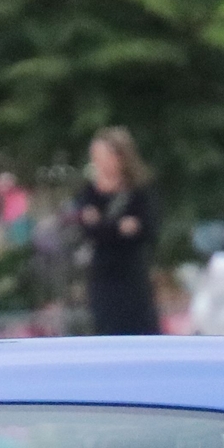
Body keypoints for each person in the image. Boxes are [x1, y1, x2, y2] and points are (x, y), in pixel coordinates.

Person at [75, 127, 161, 335]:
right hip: (102, 275)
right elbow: (88, 229)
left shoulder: (139, 191)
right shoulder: (89, 192)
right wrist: (118, 228)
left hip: (132, 274)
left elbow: (147, 229)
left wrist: (104, 226)